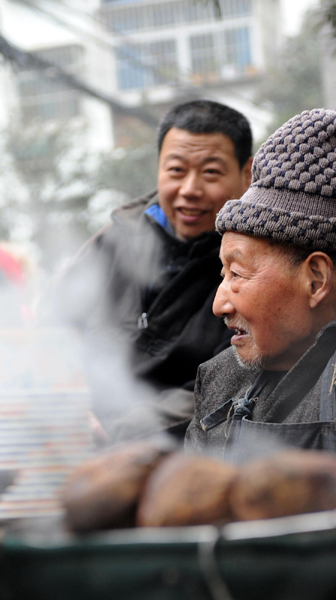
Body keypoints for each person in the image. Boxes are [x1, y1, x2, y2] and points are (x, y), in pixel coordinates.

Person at [185, 107, 336, 466]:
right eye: (223, 275)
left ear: (316, 279)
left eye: (238, 274)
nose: (220, 304)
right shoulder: (220, 381)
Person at [45, 99, 253, 440]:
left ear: (246, 174)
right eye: (176, 170)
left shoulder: (253, 262)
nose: (190, 189)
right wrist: (69, 408)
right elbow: (51, 329)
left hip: (187, 452)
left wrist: (120, 429)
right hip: (83, 440)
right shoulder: (113, 241)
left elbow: (237, 377)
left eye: (211, 172)